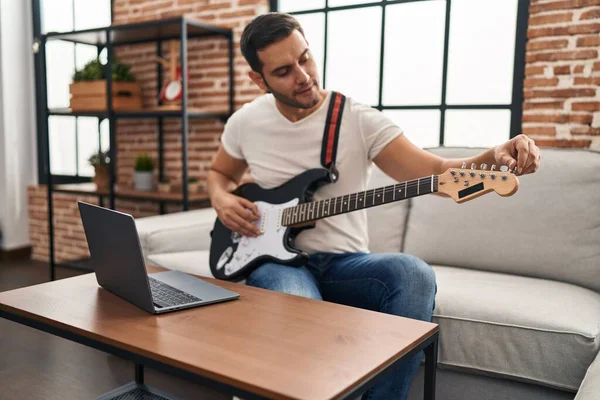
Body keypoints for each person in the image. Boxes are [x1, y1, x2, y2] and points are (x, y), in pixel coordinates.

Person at [207, 12, 541, 400]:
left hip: (345, 263)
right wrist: (221, 197)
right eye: (283, 70)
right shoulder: (245, 122)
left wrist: (494, 158)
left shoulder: (357, 119)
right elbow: (220, 173)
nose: (303, 75)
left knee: (412, 273)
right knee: (300, 310)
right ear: (258, 79)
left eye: (306, 57)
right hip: (274, 262)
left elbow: (437, 173)